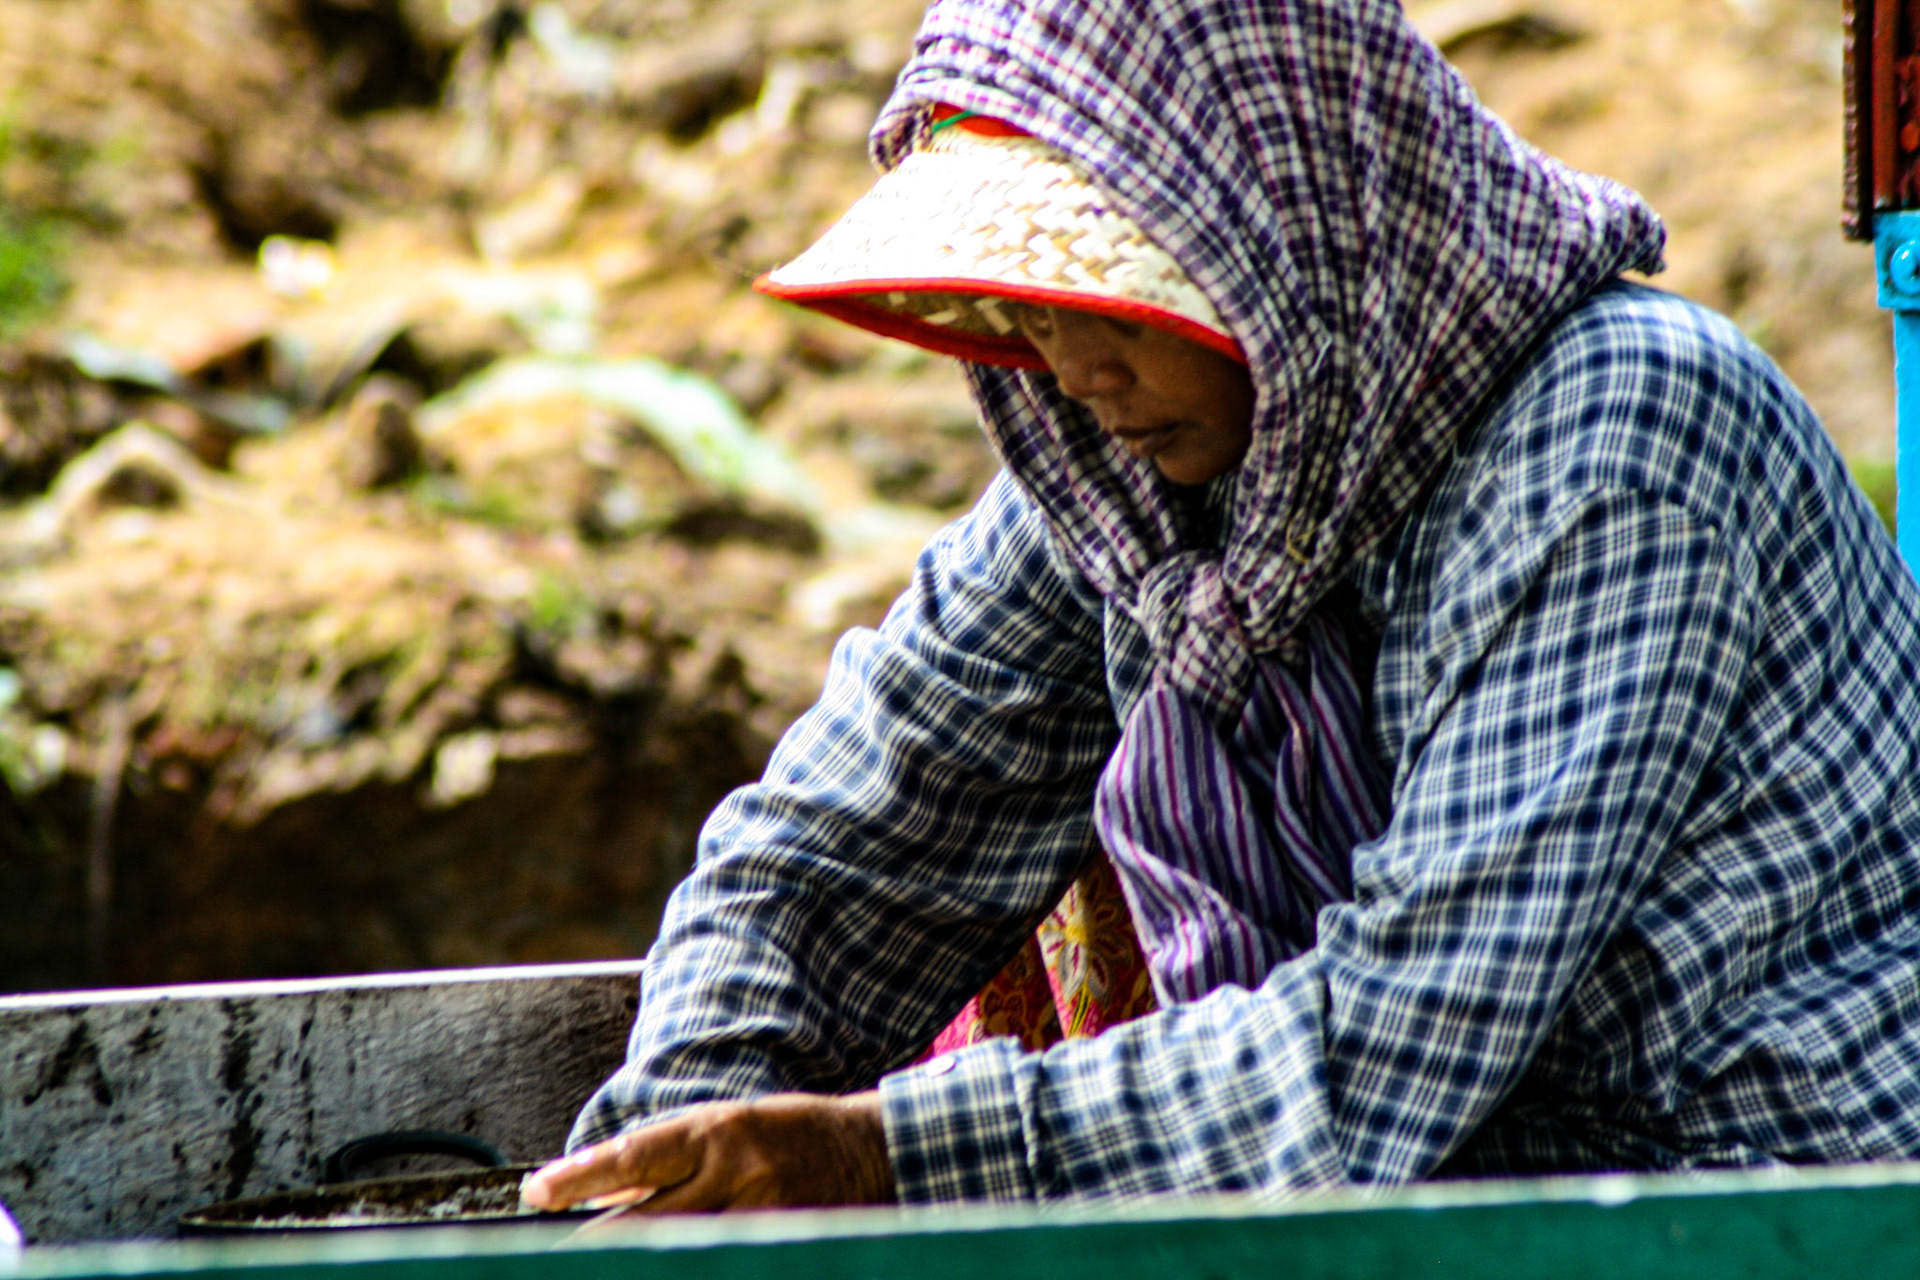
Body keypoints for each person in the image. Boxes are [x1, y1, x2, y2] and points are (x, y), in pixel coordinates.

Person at [521, 0, 1920, 1215]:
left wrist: (881, 1157)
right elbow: (834, 843)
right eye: (1033, 309)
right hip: (1467, 1182)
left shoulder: (1622, 440)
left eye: (1114, 301)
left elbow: (1388, 1048)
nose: (1070, 371)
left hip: (1749, 1188)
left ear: (1285, 242)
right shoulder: (1159, 479)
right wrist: (673, 1134)